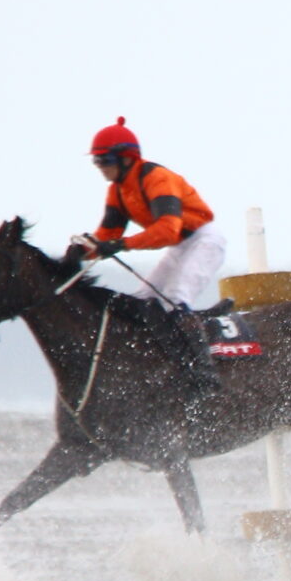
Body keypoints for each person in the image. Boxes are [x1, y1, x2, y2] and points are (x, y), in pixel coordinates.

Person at [67, 118, 226, 387]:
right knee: (142, 299)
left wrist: (122, 245)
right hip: (181, 245)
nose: (99, 167)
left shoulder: (157, 179)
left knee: (175, 299)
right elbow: (108, 235)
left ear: (126, 158)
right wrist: (82, 252)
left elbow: (167, 231)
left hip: (204, 241)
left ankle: (204, 372)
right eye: (96, 161)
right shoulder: (117, 192)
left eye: (104, 160)